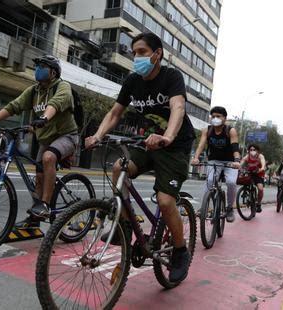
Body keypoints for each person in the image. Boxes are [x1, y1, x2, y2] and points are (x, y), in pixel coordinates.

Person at [85, 32, 196, 283]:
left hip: (175, 145)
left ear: (157, 55)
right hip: (148, 142)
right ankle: (123, 228)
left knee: (166, 202)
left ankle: (180, 251)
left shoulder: (171, 77)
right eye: (134, 52)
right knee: (118, 168)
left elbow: (178, 107)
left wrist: (167, 136)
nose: (137, 57)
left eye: (142, 52)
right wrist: (97, 135)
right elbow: (115, 113)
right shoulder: (133, 81)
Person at [0, 55, 79, 228]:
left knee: (49, 158)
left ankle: (45, 205)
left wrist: (44, 117)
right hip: (45, 140)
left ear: (53, 72)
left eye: (42, 66)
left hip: (66, 136)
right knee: (39, 177)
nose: (38, 69)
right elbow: (14, 105)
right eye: (37, 66)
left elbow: (56, 103)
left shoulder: (62, 86)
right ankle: (35, 217)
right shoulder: (34, 91)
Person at [191, 106, 241, 222]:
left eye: (218, 116)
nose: (215, 118)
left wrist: (237, 161)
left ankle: (229, 208)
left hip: (230, 162)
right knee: (209, 181)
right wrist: (196, 158)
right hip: (214, 161)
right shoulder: (207, 130)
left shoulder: (230, 130)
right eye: (213, 116)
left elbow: (235, 147)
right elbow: (201, 145)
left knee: (231, 182)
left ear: (224, 118)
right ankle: (205, 208)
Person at [240, 144, 266, 212]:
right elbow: (241, 163)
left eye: (254, 150)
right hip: (250, 173)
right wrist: (239, 168)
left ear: (257, 151)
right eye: (251, 150)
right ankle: (246, 192)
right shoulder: (247, 157)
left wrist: (262, 168)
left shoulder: (260, 156)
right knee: (244, 180)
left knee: (260, 189)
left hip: (258, 174)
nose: (252, 151)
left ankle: (259, 204)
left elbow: (263, 163)